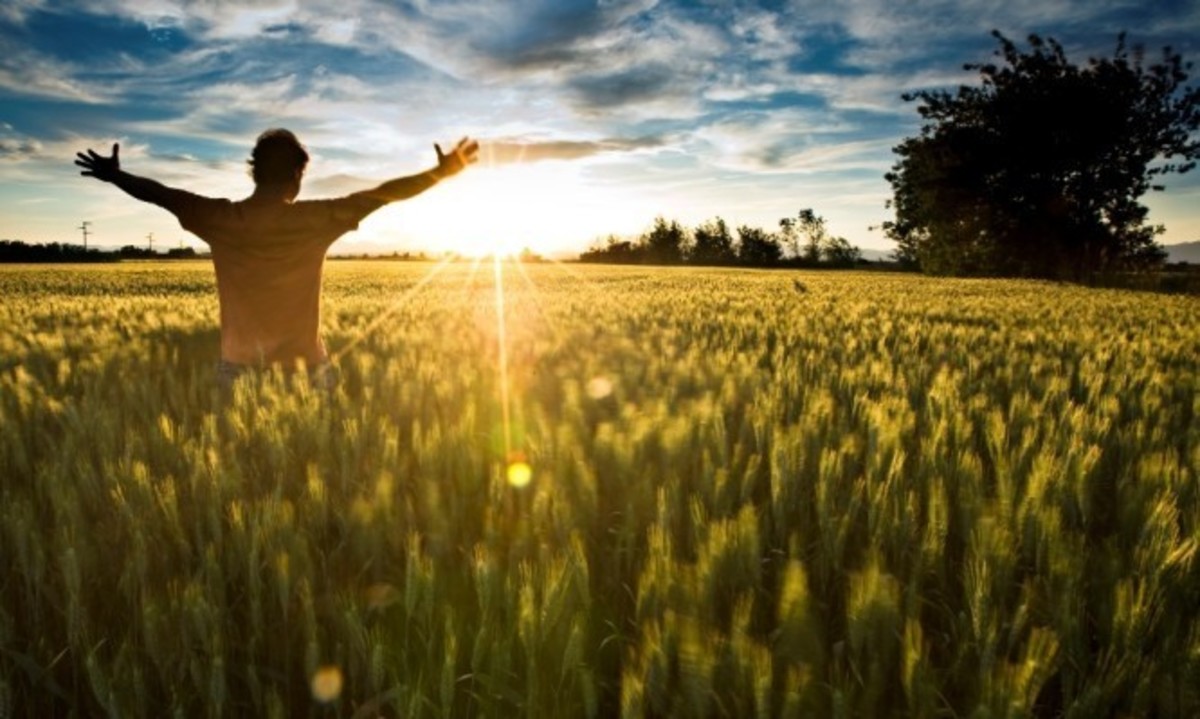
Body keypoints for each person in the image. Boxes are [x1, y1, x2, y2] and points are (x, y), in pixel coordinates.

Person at [75, 129, 478, 392]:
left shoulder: (220, 219)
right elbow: (382, 194)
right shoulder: (316, 219)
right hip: (309, 373)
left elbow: (162, 194)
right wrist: (439, 173)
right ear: (297, 176)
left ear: (254, 173)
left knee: (238, 486)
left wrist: (116, 176)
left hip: (237, 374)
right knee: (320, 477)